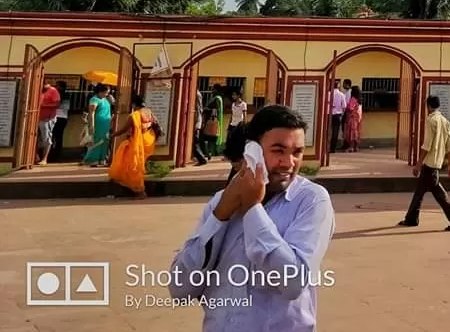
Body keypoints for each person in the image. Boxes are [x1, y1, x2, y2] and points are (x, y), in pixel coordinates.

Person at [168, 105, 335, 332]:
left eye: (297, 152)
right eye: (278, 150)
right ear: (252, 151)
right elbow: (180, 288)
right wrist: (220, 216)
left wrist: (252, 208)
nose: (288, 163)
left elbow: (292, 282)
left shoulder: (311, 200)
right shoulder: (221, 202)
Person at [400, 95, 450, 230]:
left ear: (428, 106)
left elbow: (427, 145)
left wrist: (418, 164)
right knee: (423, 191)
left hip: (430, 162)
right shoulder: (444, 121)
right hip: (438, 161)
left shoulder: (431, 121)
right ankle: (411, 218)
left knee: (436, 192)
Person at [108, 93, 158, 199]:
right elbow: (155, 123)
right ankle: (131, 186)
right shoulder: (148, 111)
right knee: (137, 163)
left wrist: (113, 135)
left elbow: (124, 129)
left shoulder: (134, 115)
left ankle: (140, 191)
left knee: (134, 165)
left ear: (134, 105)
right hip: (148, 139)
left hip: (138, 142)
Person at [82, 83, 113, 167]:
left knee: (105, 140)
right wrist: (92, 125)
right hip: (98, 123)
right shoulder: (94, 99)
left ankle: (102, 159)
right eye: (106, 92)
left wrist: (112, 101)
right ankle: (93, 159)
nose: (107, 94)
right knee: (97, 141)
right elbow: (92, 113)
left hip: (106, 123)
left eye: (108, 93)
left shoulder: (106, 100)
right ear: (100, 91)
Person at [37, 81, 61, 165]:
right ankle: (36, 157)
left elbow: (57, 104)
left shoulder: (53, 91)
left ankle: (44, 158)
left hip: (48, 118)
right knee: (35, 137)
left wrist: (42, 105)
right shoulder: (38, 90)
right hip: (36, 117)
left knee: (46, 138)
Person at [49, 81, 70, 162]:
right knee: (58, 137)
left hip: (57, 117)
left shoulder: (60, 94)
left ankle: (53, 155)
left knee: (53, 136)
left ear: (60, 86)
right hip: (63, 118)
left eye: (57, 85)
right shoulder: (67, 94)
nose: (55, 86)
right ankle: (56, 155)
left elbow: (57, 104)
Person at [328, 79, 347, 153]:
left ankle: (326, 147)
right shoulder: (342, 94)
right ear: (338, 86)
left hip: (329, 114)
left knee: (327, 131)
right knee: (335, 132)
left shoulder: (328, 93)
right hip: (337, 115)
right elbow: (344, 106)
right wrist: (342, 114)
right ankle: (333, 148)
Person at [343, 85, 363, 152]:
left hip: (352, 118)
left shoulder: (353, 99)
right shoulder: (360, 100)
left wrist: (346, 108)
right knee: (356, 132)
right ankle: (356, 147)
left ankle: (351, 147)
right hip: (358, 118)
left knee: (351, 133)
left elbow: (350, 108)